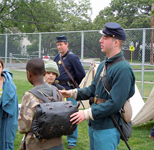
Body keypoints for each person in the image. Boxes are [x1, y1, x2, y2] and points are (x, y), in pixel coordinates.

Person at [60, 22, 135, 150]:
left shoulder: (123, 69)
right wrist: (73, 93)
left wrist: (86, 113)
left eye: (105, 38)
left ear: (115, 42)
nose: (100, 40)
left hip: (108, 128)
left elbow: (115, 104)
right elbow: (93, 89)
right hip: (95, 124)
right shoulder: (104, 64)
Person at [18, 57, 64, 150]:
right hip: (57, 143)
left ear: (28, 74)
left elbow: (23, 127)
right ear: (44, 72)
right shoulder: (56, 91)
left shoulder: (29, 96)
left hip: (36, 145)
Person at [54, 35, 86, 149]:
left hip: (69, 90)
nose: (59, 47)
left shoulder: (73, 58)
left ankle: (72, 141)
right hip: (57, 89)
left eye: (61, 44)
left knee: (72, 116)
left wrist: (73, 87)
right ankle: (57, 137)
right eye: (58, 45)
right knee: (57, 115)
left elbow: (81, 74)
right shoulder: (56, 58)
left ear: (66, 44)